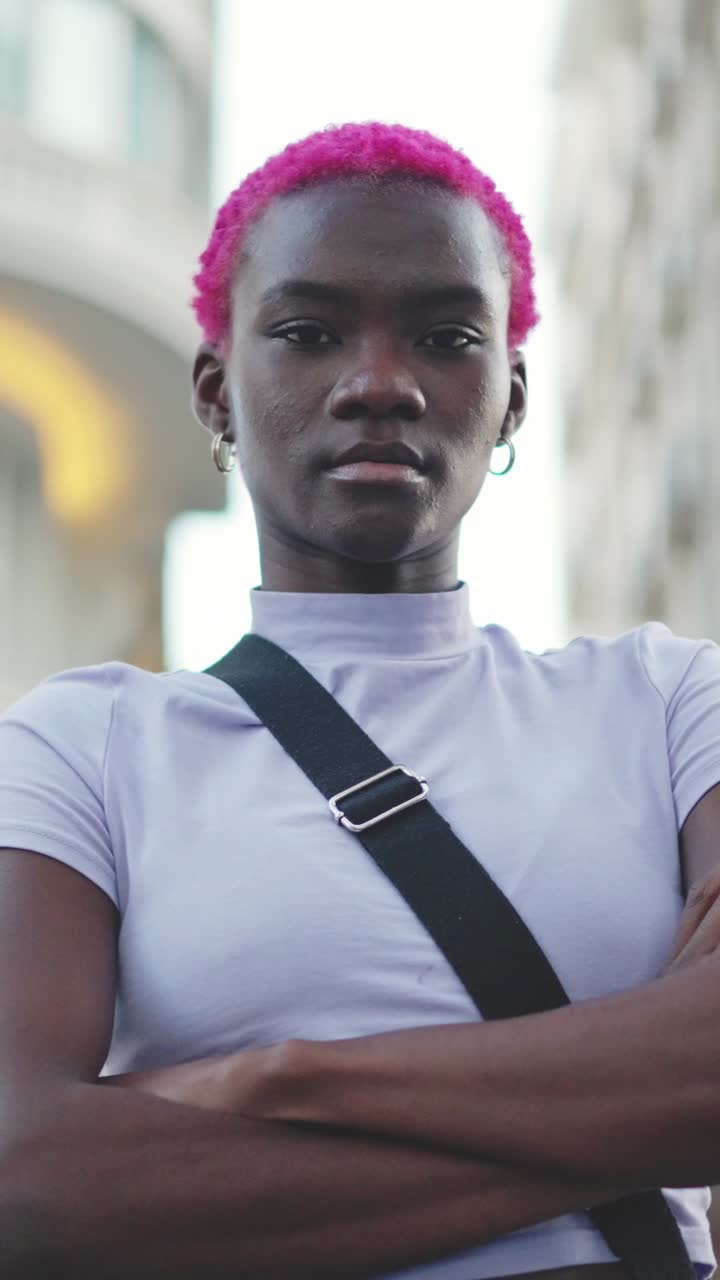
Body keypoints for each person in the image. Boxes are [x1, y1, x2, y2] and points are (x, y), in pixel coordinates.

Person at [0, 120, 719, 1280]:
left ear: (512, 397)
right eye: (306, 332)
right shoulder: (85, 746)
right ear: (216, 390)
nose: (379, 382)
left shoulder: (669, 699)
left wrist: (280, 1077)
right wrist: (636, 1112)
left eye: (445, 336)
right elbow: (27, 1183)